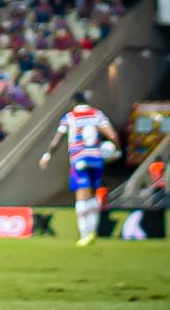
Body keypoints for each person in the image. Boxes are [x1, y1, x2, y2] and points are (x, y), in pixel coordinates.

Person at [39, 91, 119, 246]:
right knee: (93, 195)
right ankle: (93, 231)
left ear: (73, 102)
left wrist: (48, 155)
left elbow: (57, 140)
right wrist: (117, 150)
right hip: (96, 159)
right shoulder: (97, 114)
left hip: (79, 159)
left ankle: (84, 234)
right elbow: (112, 135)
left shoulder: (70, 117)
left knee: (82, 196)